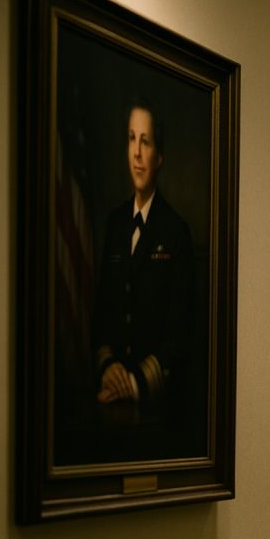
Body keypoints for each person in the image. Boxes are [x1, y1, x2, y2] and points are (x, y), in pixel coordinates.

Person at [92, 98, 193, 413]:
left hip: (155, 406)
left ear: (159, 156)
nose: (136, 153)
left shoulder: (176, 232)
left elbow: (180, 336)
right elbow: (101, 314)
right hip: (108, 390)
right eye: (132, 139)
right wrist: (107, 366)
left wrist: (133, 385)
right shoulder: (114, 222)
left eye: (146, 142)